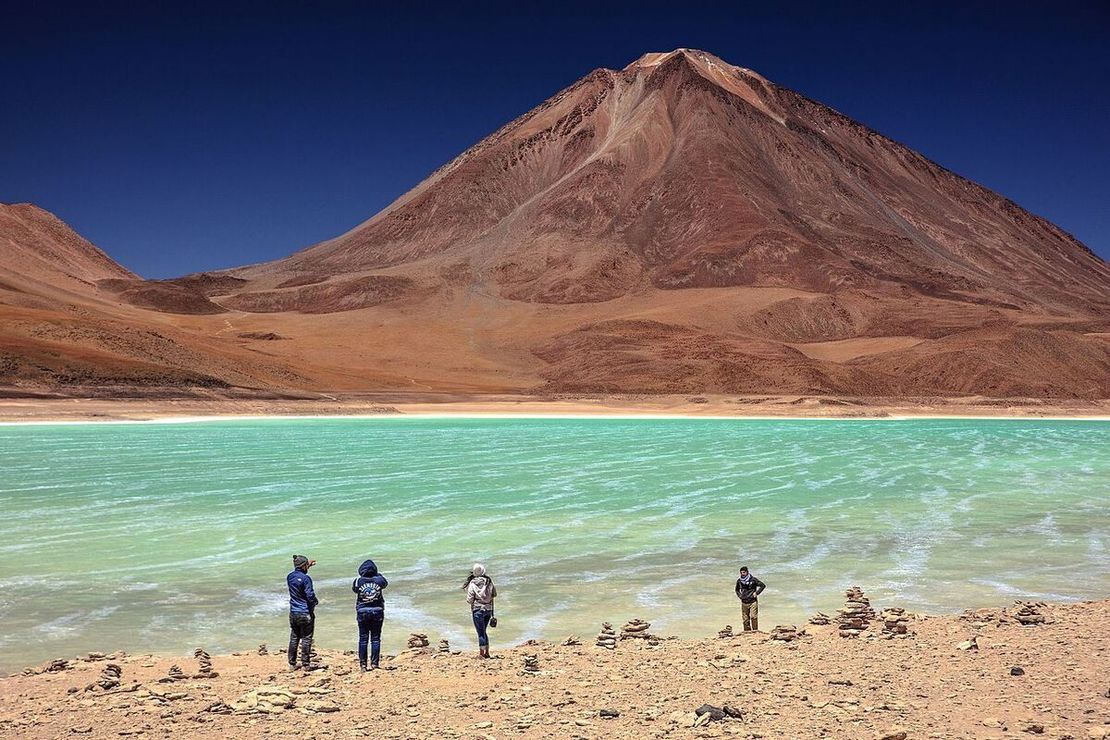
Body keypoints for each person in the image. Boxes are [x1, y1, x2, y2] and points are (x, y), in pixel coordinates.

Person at [351, 558, 388, 671]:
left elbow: (355, 590)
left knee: (363, 639)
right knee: (375, 639)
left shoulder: (358, 581)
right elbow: (385, 583)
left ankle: (363, 665)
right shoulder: (379, 580)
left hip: (362, 611)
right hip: (377, 611)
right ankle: (374, 664)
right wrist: (377, 575)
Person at [287, 554, 318, 670]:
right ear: (304, 566)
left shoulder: (290, 577)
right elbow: (309, 595)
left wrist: (306, 565)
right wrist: (315, 602)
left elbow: (299, 575)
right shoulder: (306, 579)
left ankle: (292, 663)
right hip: (305, 612)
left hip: (293, 612)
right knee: (306, 638)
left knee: (294, 637)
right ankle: (305, 664)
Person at [464, 563, 497, 658]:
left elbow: (469, 599)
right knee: (484, 631)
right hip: (488, 609)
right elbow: (494, 594)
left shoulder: (472, 583)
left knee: (481, 632)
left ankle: (482, 653)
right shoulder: (489, 581)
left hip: (477, 609)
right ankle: (487, 652)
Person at [734, 566, 766, 631]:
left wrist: (757, 593)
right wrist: (740, 596)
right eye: (741, 573)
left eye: (744, 572)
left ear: (747, 572)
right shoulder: (739, 581)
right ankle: (747, 632)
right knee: (745, 619)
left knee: (753, 617)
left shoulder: (753, 580)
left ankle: (755, 631)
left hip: (753, 602)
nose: (742, 574)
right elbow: (737, 590)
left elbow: (763, 585)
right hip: (744, 602)